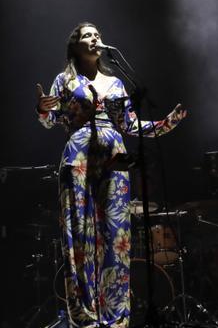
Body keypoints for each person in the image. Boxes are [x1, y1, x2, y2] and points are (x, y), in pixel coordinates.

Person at [36, 22, 188, 328]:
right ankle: (84, 317)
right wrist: (42, 108)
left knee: (116, 236)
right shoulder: (64, 79)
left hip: (115, 161)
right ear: (75, 47)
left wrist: (167, 123)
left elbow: (130, 126)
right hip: (78, 158)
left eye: (97, 35)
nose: (94, 39)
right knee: (79, 235)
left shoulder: (117, 82)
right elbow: (50, 120)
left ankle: (115, 319)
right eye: (86, 36)